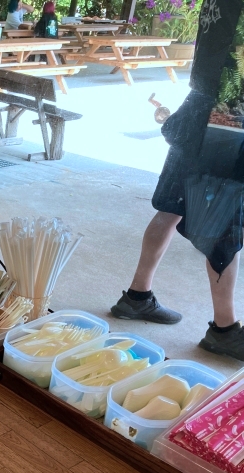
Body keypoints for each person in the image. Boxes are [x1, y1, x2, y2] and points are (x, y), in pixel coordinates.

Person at [111, 0, 244, 360]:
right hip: (227, 116)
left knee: (172, 208)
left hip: (199, 107)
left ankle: (137, 296)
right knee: (222, 225)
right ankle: (224, 329)